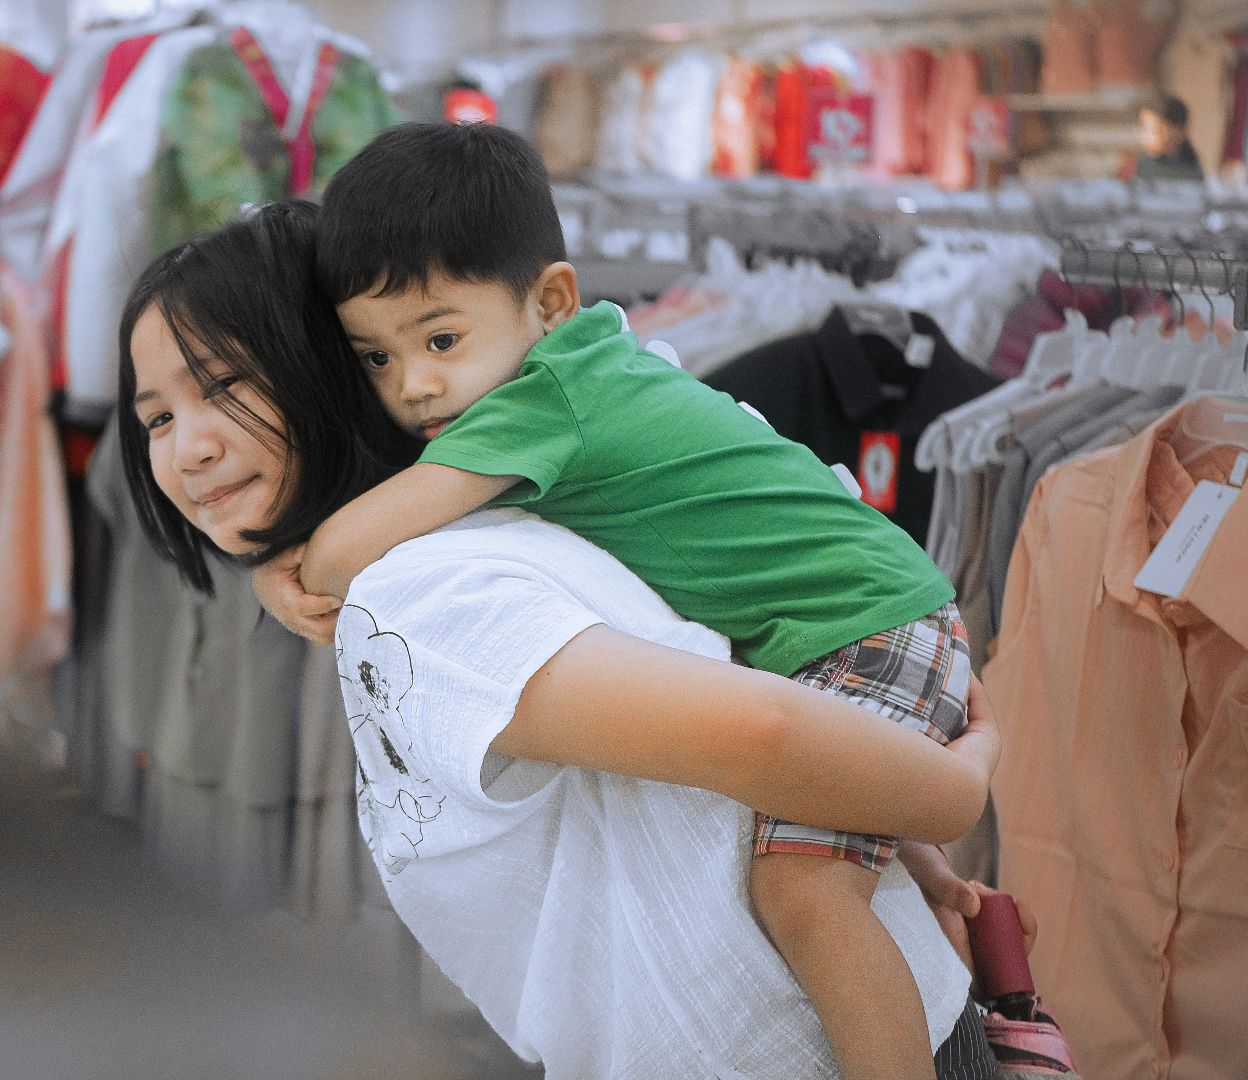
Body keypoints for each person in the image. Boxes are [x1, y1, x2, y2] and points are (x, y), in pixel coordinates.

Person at [117, 199, 1009, 1079]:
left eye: (223, 389)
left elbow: (764, 731)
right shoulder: (524, 488)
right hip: (820, 1010)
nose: (185, 449)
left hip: (770, 1038)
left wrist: (955, 790)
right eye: (156, 417)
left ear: (321, 362)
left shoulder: (423, 589)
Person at [1134, 94, 1204, 182]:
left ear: (1180, 132)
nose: (1145, 137)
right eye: (1143, 128)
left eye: (1154, 130)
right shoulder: (1143, 166)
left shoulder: (1192, 174)